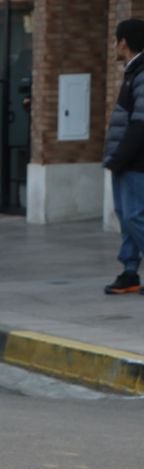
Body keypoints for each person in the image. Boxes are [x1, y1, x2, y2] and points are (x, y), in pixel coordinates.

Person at [104, 18, 144, 295]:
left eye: (116, 40)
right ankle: (129, 271)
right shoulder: (133, 71)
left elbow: (141, 123)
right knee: (125, 215)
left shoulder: (142, 73)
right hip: (126, 160)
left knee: (134, 216)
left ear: (124, 42)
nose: (114, 46)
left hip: (137, 161)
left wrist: (121, 157)